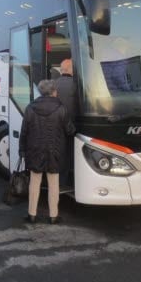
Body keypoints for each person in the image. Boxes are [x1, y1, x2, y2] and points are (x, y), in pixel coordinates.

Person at [19, 79, 75, 224]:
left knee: (34, 182)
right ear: (54, 92)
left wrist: (22, 150)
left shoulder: (30, 108)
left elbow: (24, 131)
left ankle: (32, 214)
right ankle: (53, 216)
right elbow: (70, 130)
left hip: (34, 150)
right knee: (53, 184)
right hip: (54, 151)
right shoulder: (61, 108)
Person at [54, 58, 76, 187]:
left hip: (54, 128)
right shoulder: (77, 85)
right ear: (71, 70)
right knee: (69, 156)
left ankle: (57, 182)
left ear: (62, 70)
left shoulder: (53, 85)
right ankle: (67, 182)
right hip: (71, 127)